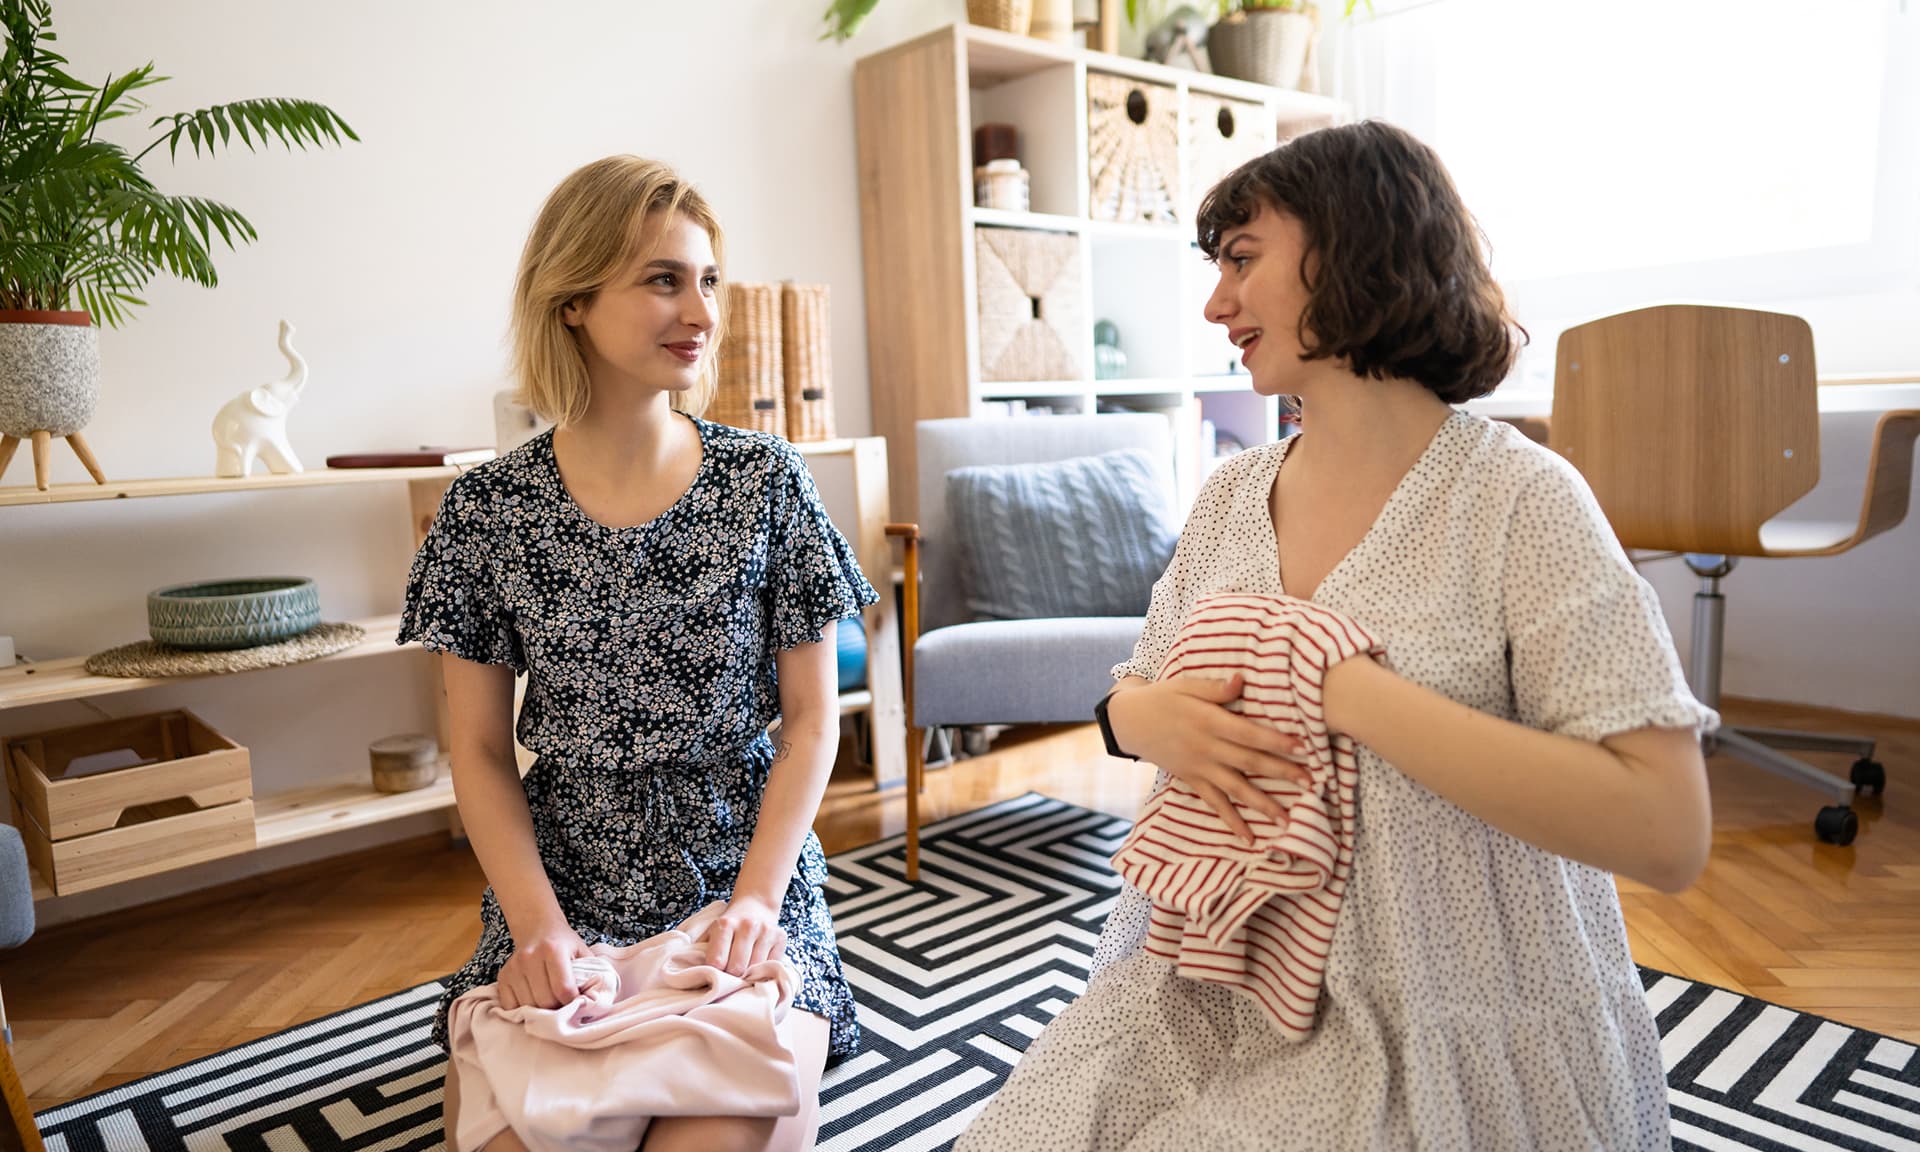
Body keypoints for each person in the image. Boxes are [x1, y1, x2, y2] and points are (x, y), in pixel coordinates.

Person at [958, 120, 1715, 1151]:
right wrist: (1141, 721)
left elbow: (1667, 834)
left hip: (1438, 1017)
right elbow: (1133, 693)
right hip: (1210, 982)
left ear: (1354, 247)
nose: (1216, 304)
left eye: (1240, 260)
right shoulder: (1231, 496)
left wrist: (1340, 687)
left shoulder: (1519, 502)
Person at [400, 155, 876, 1152]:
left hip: (737, 865)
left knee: (715, 1123)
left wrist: (756, 901)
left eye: (707, 279)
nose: (697, 308)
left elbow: (812, 719)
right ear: (572, 299)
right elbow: (480, 754)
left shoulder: (767, 482)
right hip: (565, 877)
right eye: (662, 279)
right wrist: (537, 928)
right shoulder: (487, 512)